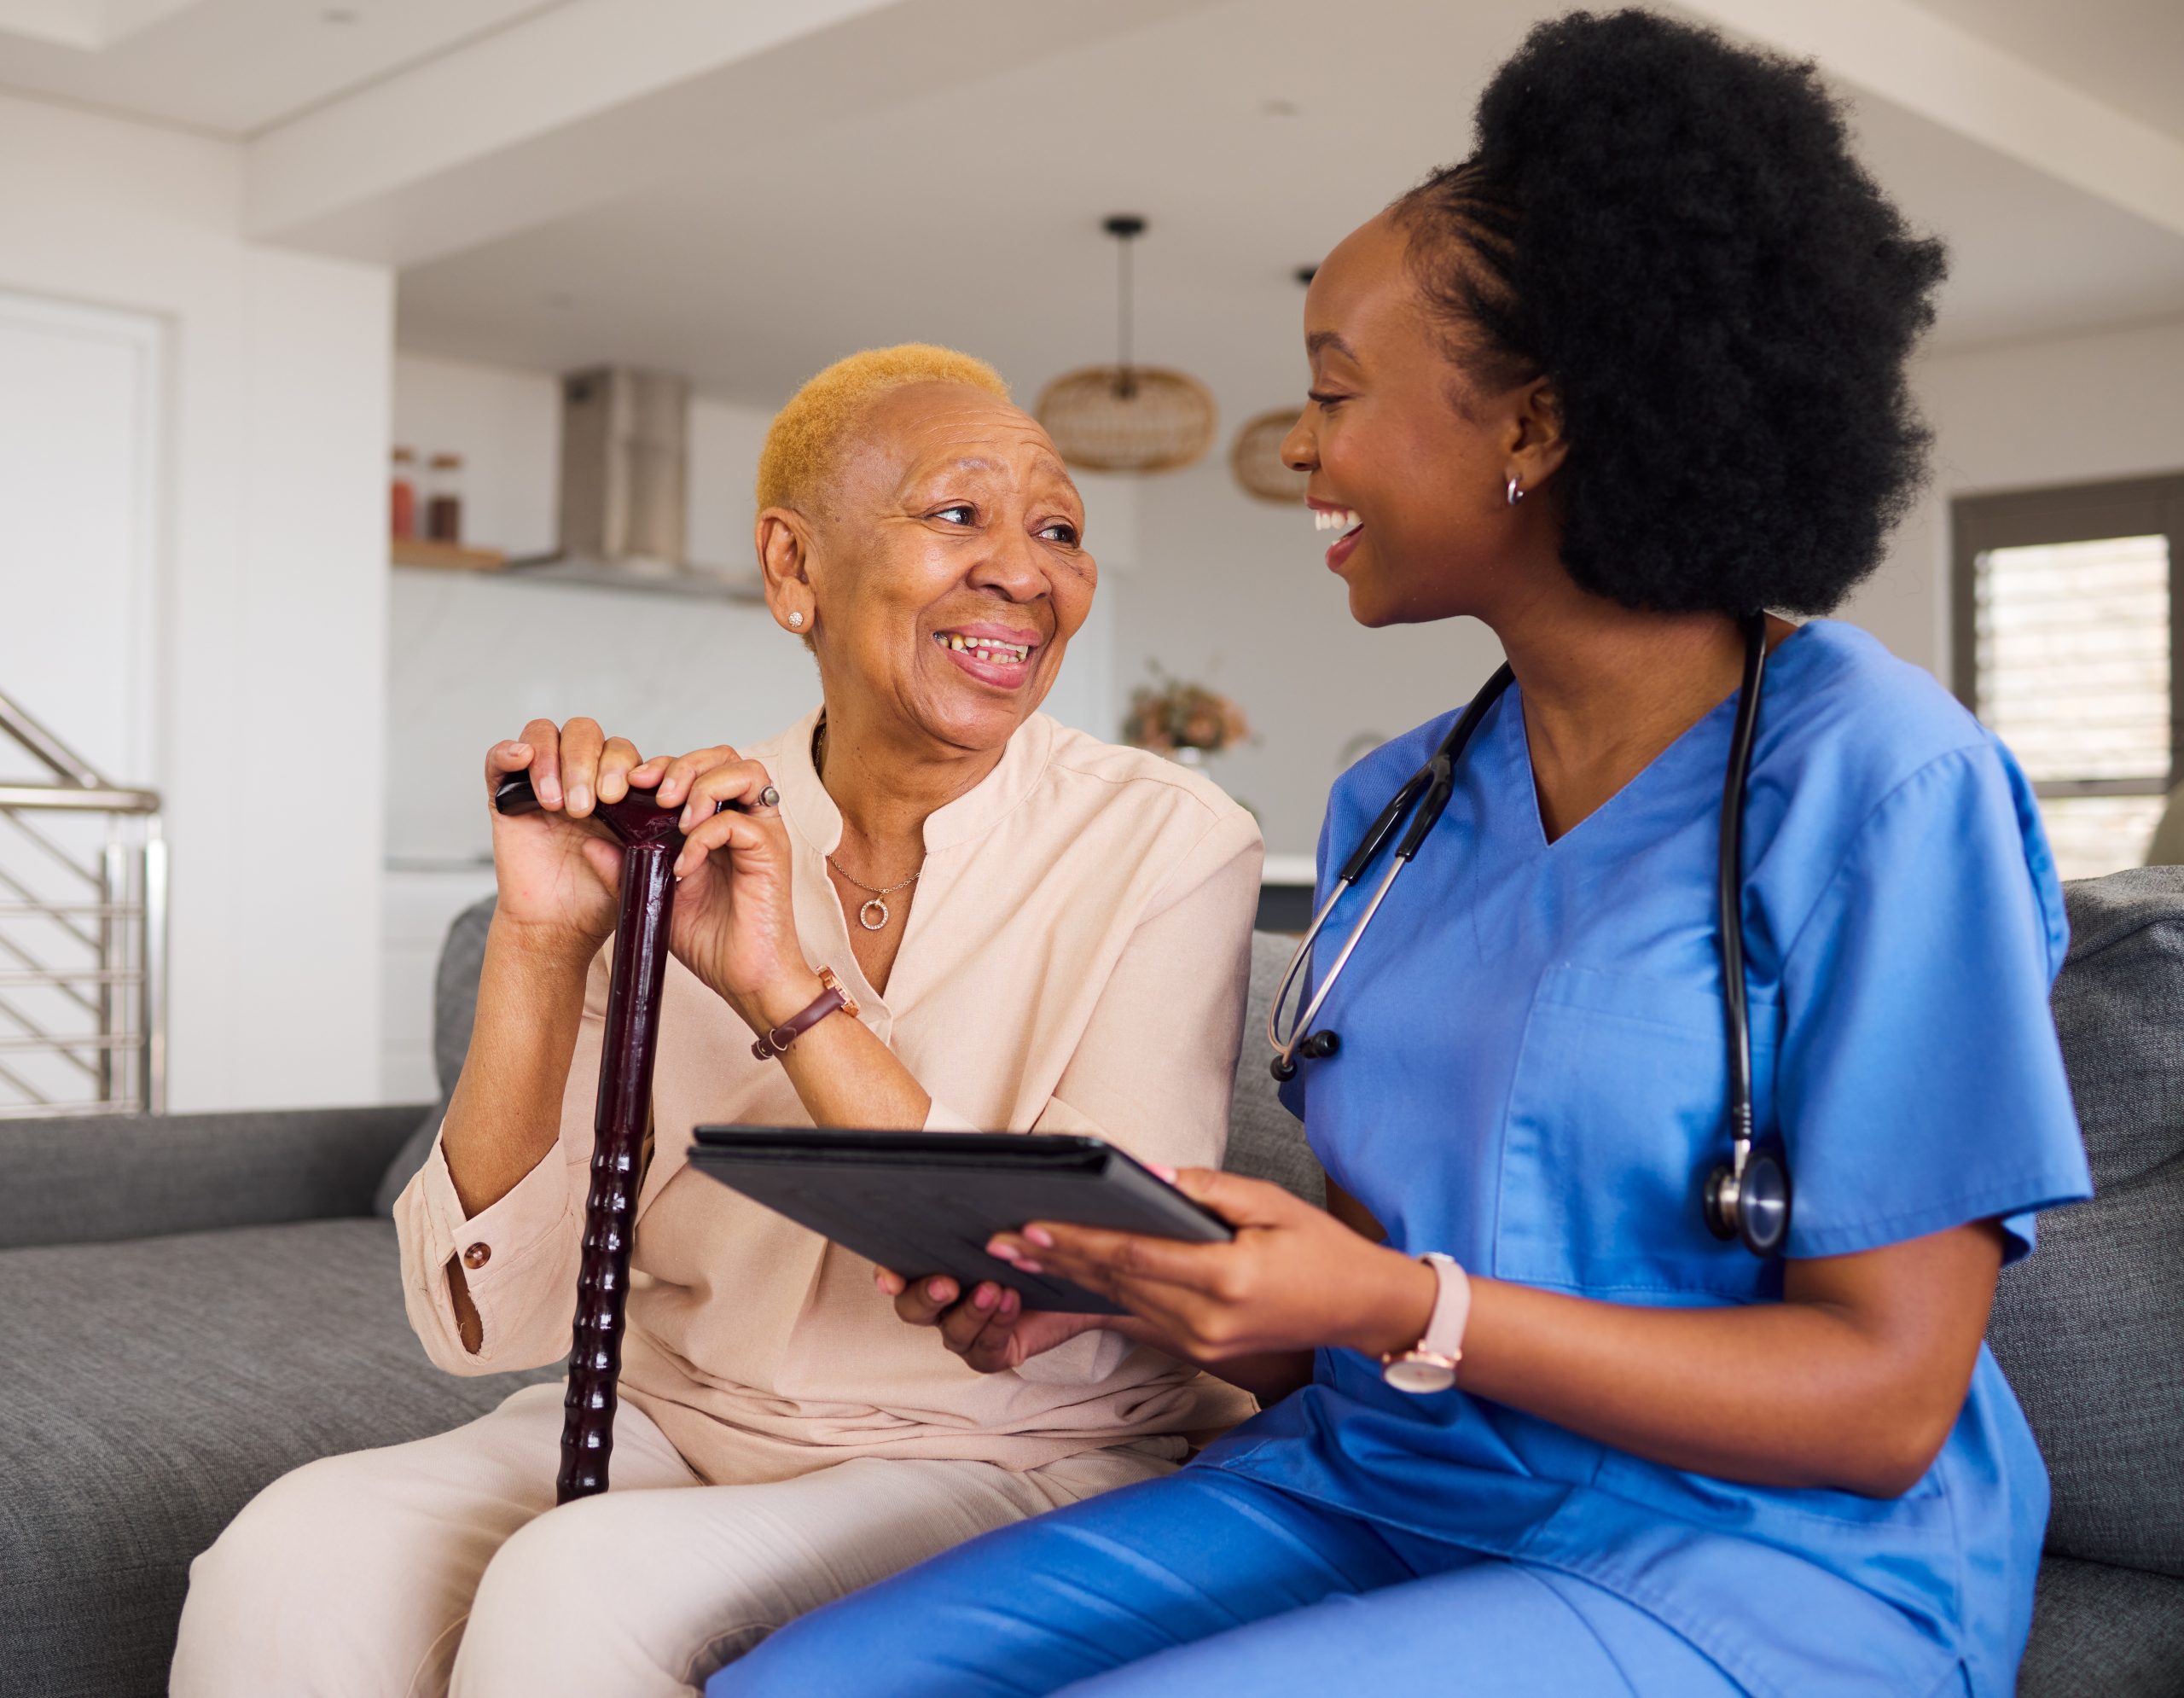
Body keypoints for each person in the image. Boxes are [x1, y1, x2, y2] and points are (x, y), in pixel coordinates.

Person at [712, 16, 2093, 1697]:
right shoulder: (1401, 805)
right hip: (1381, 1485)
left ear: (1534, 423)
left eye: (1333, 392)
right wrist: (1136, 1292)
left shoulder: (1881, 779)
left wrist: (1395, 1303)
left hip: (1765, 1553)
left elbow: (1882, 1403)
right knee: (797, 1684)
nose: (1301, 447)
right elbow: (1360, 1311)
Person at [170, 345, 1262, 1696]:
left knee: (579, 1591)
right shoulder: (685, 829)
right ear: (794, 566)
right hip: (677, 1414)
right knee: (285, 1559)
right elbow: (491, 1318)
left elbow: (1082, 1279)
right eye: (958, 512)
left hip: (1009, 1451)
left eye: (1060, 530)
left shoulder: (1170, 843)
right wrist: (544, 937)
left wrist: (782, 989)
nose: (1026, 573)